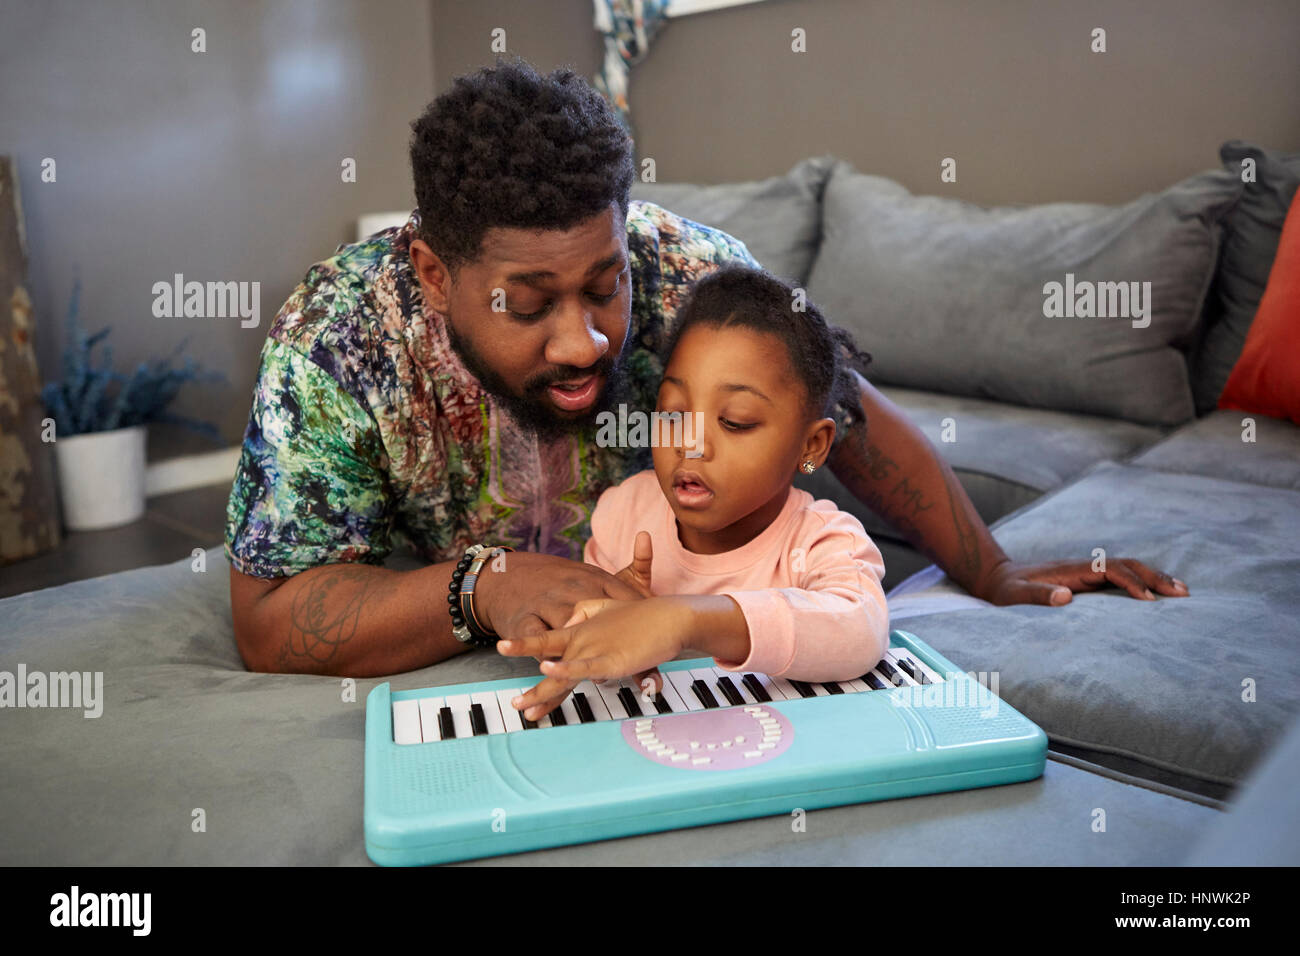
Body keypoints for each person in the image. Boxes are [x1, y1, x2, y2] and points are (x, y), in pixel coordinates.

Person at [225, 58, 1188, 677]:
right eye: (527, 302)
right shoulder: (338, 339)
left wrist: (993, 567)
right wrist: (481, 585)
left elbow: (841, 411)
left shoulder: (687, 268)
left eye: (603, 286)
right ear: (437, 273)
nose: (583, 342)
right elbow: (270, 619)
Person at [501, 265, 890, 721]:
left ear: (811, 446)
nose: (689, 443)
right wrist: (608, 624)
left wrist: (683, 619)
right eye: (673, 412)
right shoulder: (626, 513)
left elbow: (859, 632)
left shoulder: (822, 541)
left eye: (735, 421)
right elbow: (608, 666)